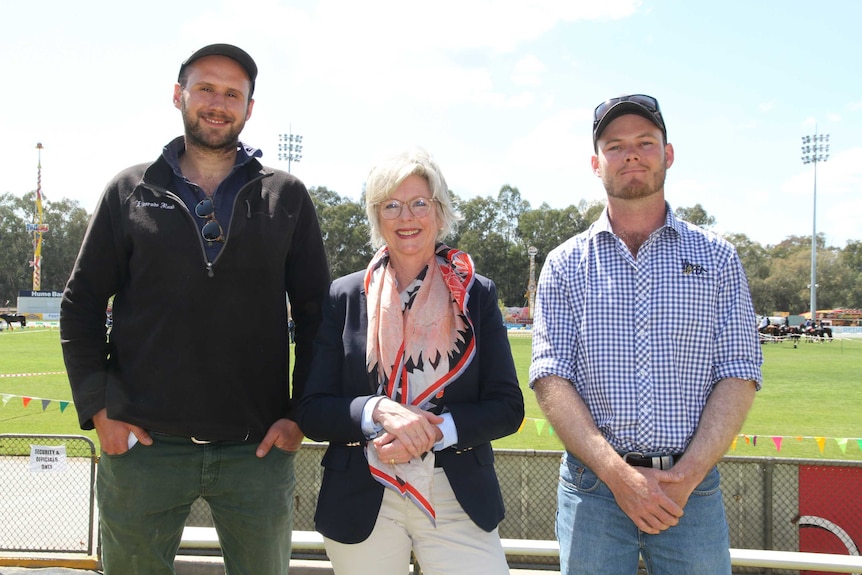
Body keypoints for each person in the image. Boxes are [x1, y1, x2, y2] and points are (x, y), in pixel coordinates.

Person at [60, 43, 330, 574]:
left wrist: (301, 414)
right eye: (205, 88)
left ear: (249, 109)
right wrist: (98, 407)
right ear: (179, 94)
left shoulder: (288, 196)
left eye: (233, 93)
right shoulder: (129, 191)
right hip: (143, 448)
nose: (218, 102)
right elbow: (81, 305)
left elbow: (320, 317)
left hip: (256, 453)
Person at [529, 94, 763, 575]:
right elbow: (551, 378)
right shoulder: (564, 264)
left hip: (690, 490)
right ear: (596, 164)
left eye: (644, 142)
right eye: (615, 146)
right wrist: (617, 475)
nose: (631, 154)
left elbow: (738, 372)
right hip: (593, 490)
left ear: (668, 154)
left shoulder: (718, 258)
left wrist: (687, 474)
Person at [296, 147, 524, 575]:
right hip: (363, 495)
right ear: (376, 216)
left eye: (420, 203)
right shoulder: (344, 296)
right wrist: (376, 409)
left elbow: (508, 407)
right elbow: (312, 409)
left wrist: (431, 434)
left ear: (440, 213)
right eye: (392, 205)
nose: (407, 217)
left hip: (456, 494)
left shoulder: (477, 294)